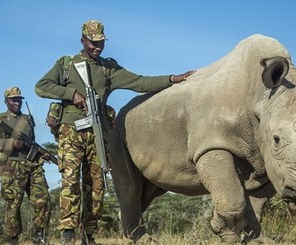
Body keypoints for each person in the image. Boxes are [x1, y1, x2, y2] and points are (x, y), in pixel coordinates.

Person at [34, 20, 196, 245]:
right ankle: (68, 234)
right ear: (83, 41)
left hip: (99, 132)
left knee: (97, 184)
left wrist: (171, 79)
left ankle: (89, 234)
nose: (97, 47)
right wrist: (71, 94)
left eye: (100, 43)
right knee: (71, 180)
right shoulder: (66, 64)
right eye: (93, 43)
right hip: (70, 130)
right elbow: (41, 86)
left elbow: (139, 82)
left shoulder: (107, 67)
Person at [0, 87, 51, 245]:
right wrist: (12, 143)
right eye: (13, 99)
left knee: (43, 200)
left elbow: (31, 144)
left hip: (33, 166)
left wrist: (42, 154)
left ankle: (39, 236)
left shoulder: (28, 119)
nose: (17, 102)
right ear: (6, 101)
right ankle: (13, 239)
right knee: (13, 203)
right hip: (12, 166)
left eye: (19, 99)